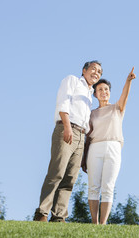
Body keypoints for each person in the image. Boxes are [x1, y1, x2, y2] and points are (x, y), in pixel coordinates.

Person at [34, 61, 103, 222]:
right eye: (93, 69)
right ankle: (42, 213)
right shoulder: (72, 80)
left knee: (70, 178)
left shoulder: (89, 94)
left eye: (99, 72)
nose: (96, 73)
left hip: (81, 136)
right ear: (84, 70)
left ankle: (58, 216)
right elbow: (63, 103)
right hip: (67, 128)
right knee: (56, 172)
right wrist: (67, 127)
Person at [81, 67, 136, 224]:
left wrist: (128, 81)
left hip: (113, 148)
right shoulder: (91, 113)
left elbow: (125, 96)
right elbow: (87, 137)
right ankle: (94, 222)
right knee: (93, 187)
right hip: (94, 149)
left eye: (106, 89)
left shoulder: (117, 108)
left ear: (109, 92)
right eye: (100, 89)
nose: (103, 92)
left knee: (108, 187)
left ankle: (103, 223)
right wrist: (83, 158)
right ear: (95, 94)